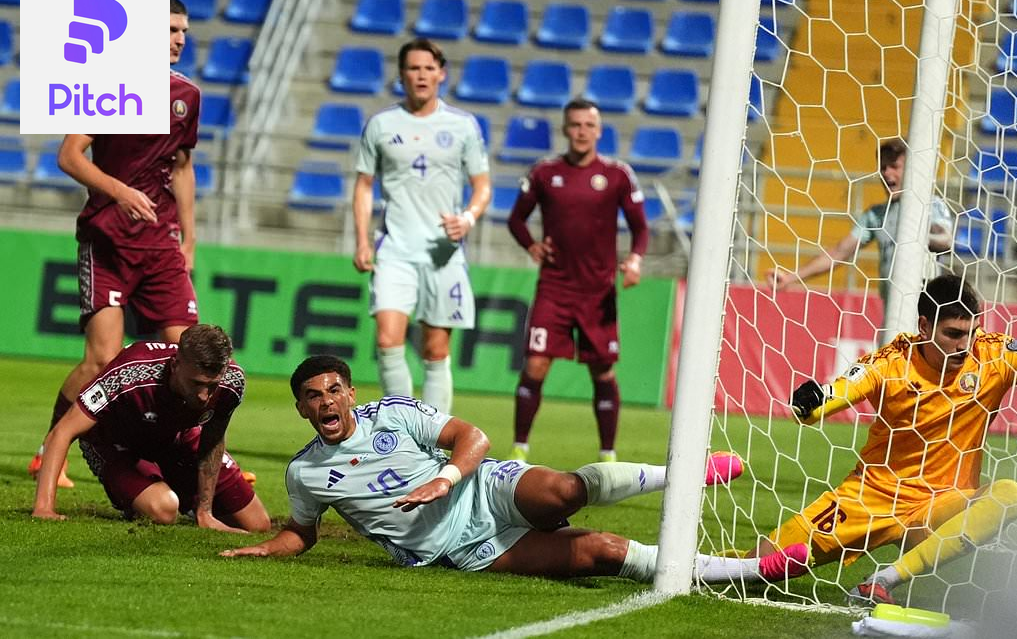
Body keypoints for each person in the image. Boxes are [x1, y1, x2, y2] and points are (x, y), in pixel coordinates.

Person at [753, 274, 1017, 606]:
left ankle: (884, 580)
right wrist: (813, 403)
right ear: (924, 326)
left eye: (971, 331)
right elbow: (839, 392)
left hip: (939, 508)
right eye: (954, 334)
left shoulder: (995, 354)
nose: (965, 344)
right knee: (763, 565)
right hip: (873, 496)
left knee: (1008, 495)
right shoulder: (892, 360)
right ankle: (718, 565)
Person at [219, 355, 811, 586]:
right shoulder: (305, 473)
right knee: (601, 552)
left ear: (350, 393)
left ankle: (682, 475)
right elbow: (303, 532)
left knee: (565, 490)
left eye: (334, 390)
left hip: (482, 490)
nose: (326, 403)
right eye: (313, 397)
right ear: (301, 409)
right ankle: (750, 571)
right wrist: (265, 548)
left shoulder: (393, 413)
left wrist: (445, 479)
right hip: (464, 549)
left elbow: (472, 437)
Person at [29, 0, 203, 488]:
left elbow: (183, 168)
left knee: (191, 355)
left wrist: (190, 238)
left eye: (184, 31)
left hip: (161, 243)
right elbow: (69, 155)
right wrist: (120, 191)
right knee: (103, 359)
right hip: (107, 240)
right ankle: (51, 453)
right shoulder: (109, 86)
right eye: (170, 29)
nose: (179, 39)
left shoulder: (187, 95)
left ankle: (197, 462)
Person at [352, 38, 491, 415]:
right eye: (413, 68)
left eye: (429, 68)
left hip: (442, 253)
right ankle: (403, 427)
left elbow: (482, 185)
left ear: (441, 74)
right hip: (394, 248)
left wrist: (468, 218)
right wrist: (362, 240)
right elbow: (364, 184)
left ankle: (432, 435)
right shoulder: (381, 125)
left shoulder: (462, 125)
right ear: (401, 75)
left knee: (435, 349)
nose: (421, 75)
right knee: (387, 340)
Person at [505, 99, 648, 463]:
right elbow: (516, 219)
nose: (582, 131)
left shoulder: (617, 174)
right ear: (565, 129)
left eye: (589, 125)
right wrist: (531, 245)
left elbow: (640, 228)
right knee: (536, 364)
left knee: (602, 371)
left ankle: (607, 454)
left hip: (598, 294)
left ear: (599, 131)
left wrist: (634, 260)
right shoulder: (544, 172)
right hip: (553, 289)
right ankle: (519, 449)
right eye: (575, 125)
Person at [33, 325, 271, 532]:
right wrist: (44, 508)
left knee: (257, 524)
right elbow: (62, 432)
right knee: (163, 509)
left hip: (177, 437)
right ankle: (154, 494)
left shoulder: (231, 382)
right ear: (175, 364)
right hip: (115, 442)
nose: (203, 396)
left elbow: (213, 440)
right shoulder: (130, 371)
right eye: (196, 383)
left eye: (212, 386)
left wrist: (205, 511)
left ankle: (189, 503)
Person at [767, 139, 953, 318]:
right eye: (883, 167)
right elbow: (839, 252)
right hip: (892, 314)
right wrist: (791, 278)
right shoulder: (876, 215)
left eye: (894, 166)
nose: (887, 173)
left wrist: (921, 238)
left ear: (912, 170)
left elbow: (945, 240)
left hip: (927, 314)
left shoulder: (929, 205)